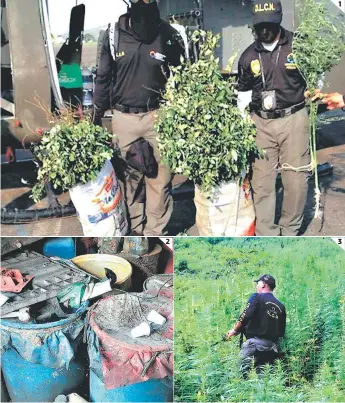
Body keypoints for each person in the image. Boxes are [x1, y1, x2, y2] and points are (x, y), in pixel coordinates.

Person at [93, 0, 185, 236]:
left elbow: (183, 78)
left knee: (160, 179)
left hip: (158, 116)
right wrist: (95, 116)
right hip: (124, 118)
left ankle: (155, 232)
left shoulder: (168, 35)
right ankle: (135, 228)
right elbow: (102, 78)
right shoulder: (113, 36)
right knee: (129, 177)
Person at [237, 0, 309, 236]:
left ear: (278, 21)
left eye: (268, 25)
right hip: (261, 123)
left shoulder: (299, 46)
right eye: (259, 27)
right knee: (262, 183)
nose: (263, 31)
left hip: (294, 118)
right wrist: (243, 123)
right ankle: (266, 232)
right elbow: (244, 94)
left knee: (295, 180)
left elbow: (316, 76)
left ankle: (290, 230)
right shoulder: (248, 56)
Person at [226, 274, 286, 377]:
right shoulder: (281, 306)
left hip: (253, 346)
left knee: (240, 378)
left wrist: (234, 331)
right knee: (263, 382)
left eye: (258, 283)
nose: (256, 286)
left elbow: (245, 316)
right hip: (272, 349)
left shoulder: (256, 297)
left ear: (263, 284)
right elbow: (281, 332)